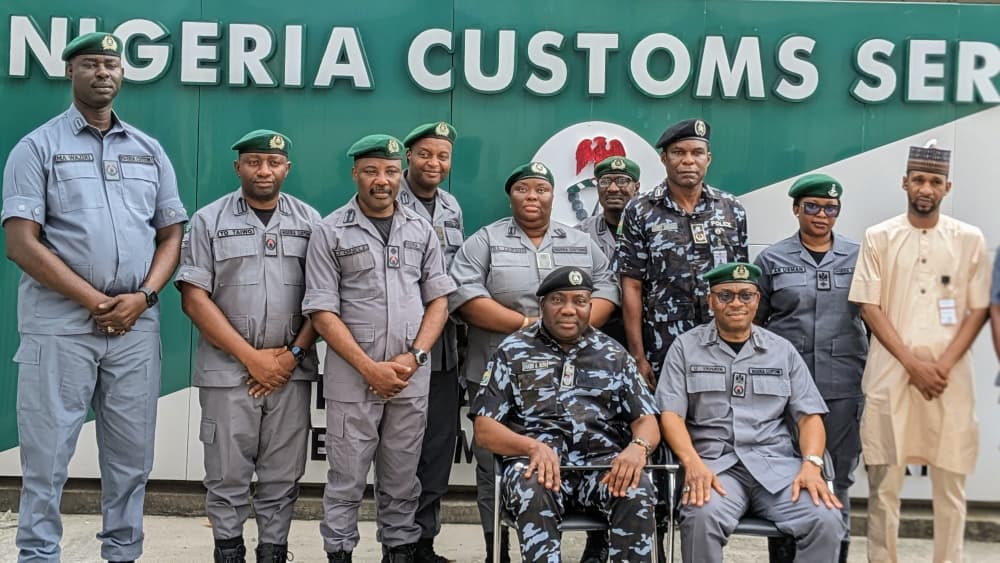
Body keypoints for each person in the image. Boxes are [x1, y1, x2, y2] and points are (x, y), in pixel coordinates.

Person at [1, 32, 187, 563]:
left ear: (122, 75)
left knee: (131, 458)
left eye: (111, 64)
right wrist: (95, 301)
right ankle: (39, 555)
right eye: (90, 64)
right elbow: (20, 243)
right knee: (46, 457)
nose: (103, 72)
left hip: (134, 327)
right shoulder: (36, 148)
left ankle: (123, 553)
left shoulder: (149, 150)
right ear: (71, 73)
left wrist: (145, 297)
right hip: (60, 327)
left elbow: (172, 232)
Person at [449, 161, 619, 562]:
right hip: (500, 371)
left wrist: (572, 331)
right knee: (494, 466)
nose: (532, 197)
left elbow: (608, 286)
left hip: (575, 378)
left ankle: (589, 545)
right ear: (511, 196)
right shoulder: (485, 240)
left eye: (540, 190)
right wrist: (530, 328)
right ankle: (498, 551)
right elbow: (464, 295)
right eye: (523, 190)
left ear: (552, 196)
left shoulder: (577, 241)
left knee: (587, 454)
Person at [303, 134, 456, 563]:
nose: (381, 180)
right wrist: (369, 368)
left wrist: (416, 356)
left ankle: (399, 551)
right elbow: (321, 310)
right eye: (371, 171)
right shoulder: (330, 230)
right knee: (346, 478)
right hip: (354, 380)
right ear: (355, 174)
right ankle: (339, 551)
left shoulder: (421, 228)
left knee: (403, 477)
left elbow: (439, 300)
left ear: (399, 173)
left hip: (410, 377)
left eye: (389, 171)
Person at [175, 130, 320, 563]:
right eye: (254, 161)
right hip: (228, 371)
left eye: (273, 163)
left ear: (286, 169)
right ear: (237, 166)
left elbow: (324, 300)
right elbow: (193, 298)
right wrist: (251, 358)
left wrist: (290, 355)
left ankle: (274, 551)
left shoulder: (311, 222)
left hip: (288, 371)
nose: (264, 170)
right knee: (226, 473)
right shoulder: (208, 221)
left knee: (282, 474)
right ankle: (228, 551)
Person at [849, 144, 990, 563]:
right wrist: (912, 364)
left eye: (933, 181)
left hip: (950, 378)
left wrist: (941, 365)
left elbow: (978, 307)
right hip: (891, 372)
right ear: (904, 183)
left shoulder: (969, 239)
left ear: (947, 187)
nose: (925, 188)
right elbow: (869, 306)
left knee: (951, 482)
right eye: (918, 179)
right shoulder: (879, 236)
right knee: (885, 484)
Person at [657, 262, 845, 563]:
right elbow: (671, 415)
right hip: (716, 470)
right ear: (710, 301)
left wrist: (811, 464)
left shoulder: (780, 350)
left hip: (777, 469)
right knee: (700, 516)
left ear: (757, 300)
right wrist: (692, 463)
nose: (736, 303)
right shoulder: (686, 348)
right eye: (725, 295)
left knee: (826, 518)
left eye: (745, 295)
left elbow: (809, 415)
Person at [472, 266, 660, 563]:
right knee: (532, 487)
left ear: (590, 305)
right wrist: (531, 447)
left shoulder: (614, 355)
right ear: (542, 304)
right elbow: (484, 428)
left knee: (637, 487)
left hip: (601, 468)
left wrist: (638, 448)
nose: (569, 310)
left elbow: (646, 419)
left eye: (580, 301)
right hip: (536, 466)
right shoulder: (513, 351)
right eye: (558, 300)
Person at [753, 173, 866, 563]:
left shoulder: (859, 256)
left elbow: (873, 318)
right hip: (784, 391)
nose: (822, 215)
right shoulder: (772, 259)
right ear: (796, 208)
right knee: (786, 477)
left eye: (830, 208)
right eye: (813, 206)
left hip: (842, 384)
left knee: (839, 479)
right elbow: (756, 326)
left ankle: (835, 557)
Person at [617, 118, 747, 390]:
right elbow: (631, 285)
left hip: (721, 339)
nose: (688, 161)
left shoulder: (731, 209)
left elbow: (740, 283)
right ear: (664, 159)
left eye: (696, 153)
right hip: (664, 342)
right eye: (679, 153)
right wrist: (638, 356)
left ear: (708, 159)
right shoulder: (640, 210)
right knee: (668, 417)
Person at [397, 121, 464, 563]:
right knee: (396, 452)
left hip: (443, 347)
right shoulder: (386, 197)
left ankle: (423, 542)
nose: (434, 163)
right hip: (396, 343)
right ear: (408, 157)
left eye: (442, 156)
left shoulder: (451, 206)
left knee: (437, 447)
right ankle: (396, 541)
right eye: (425, 154)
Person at [575, 155, 639, 348]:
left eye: (622, 181)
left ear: (636, 187)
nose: (613, 188)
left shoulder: (652, 229)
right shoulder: (579, 235)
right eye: (605, 181)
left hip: (644, 329)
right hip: (596, 332)